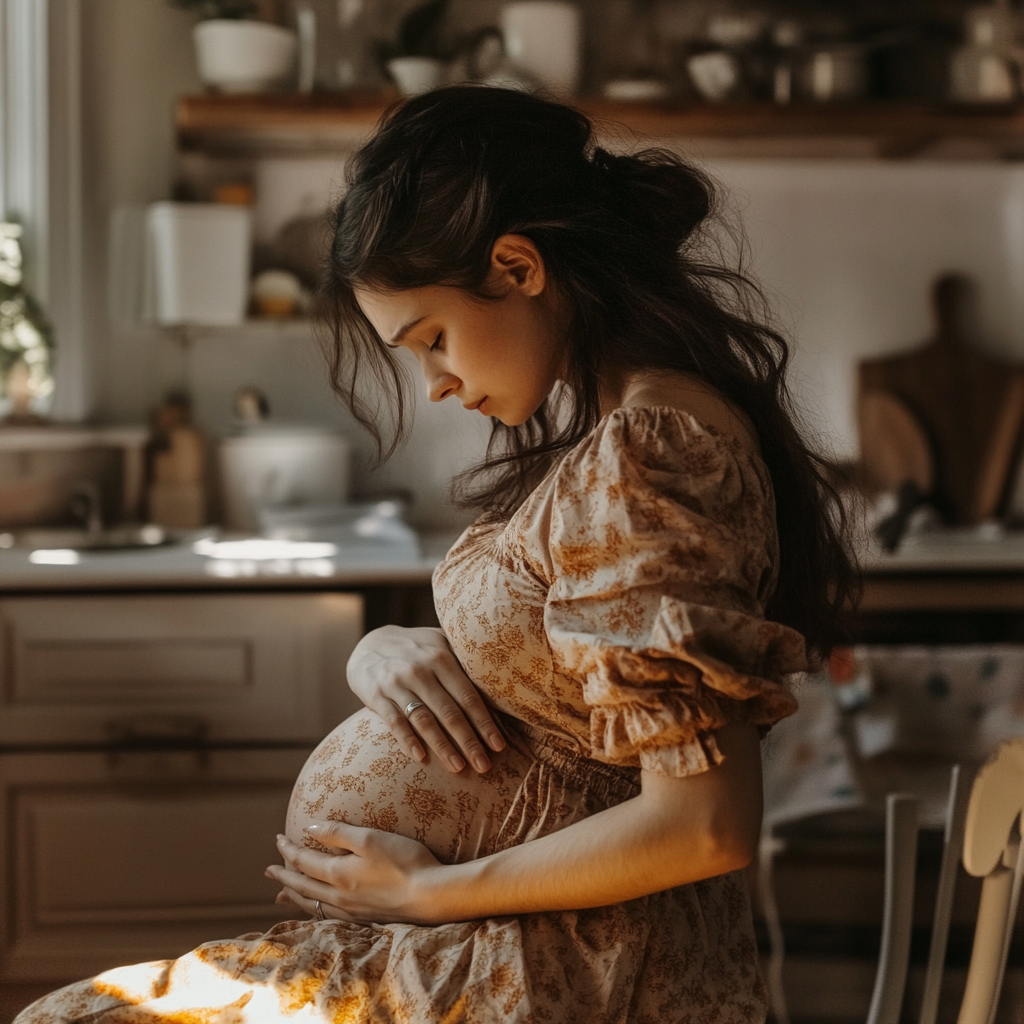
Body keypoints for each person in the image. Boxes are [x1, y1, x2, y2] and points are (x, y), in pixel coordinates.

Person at [17, 87, 853, 1024]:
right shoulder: (621, 434)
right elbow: (565, 686)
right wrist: (388, 649)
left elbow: (701, 825)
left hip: (549, 971)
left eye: (434, 338)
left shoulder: (648, 452)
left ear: (517, 265)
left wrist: (426, 894)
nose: (438, 383)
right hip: (491, 950)